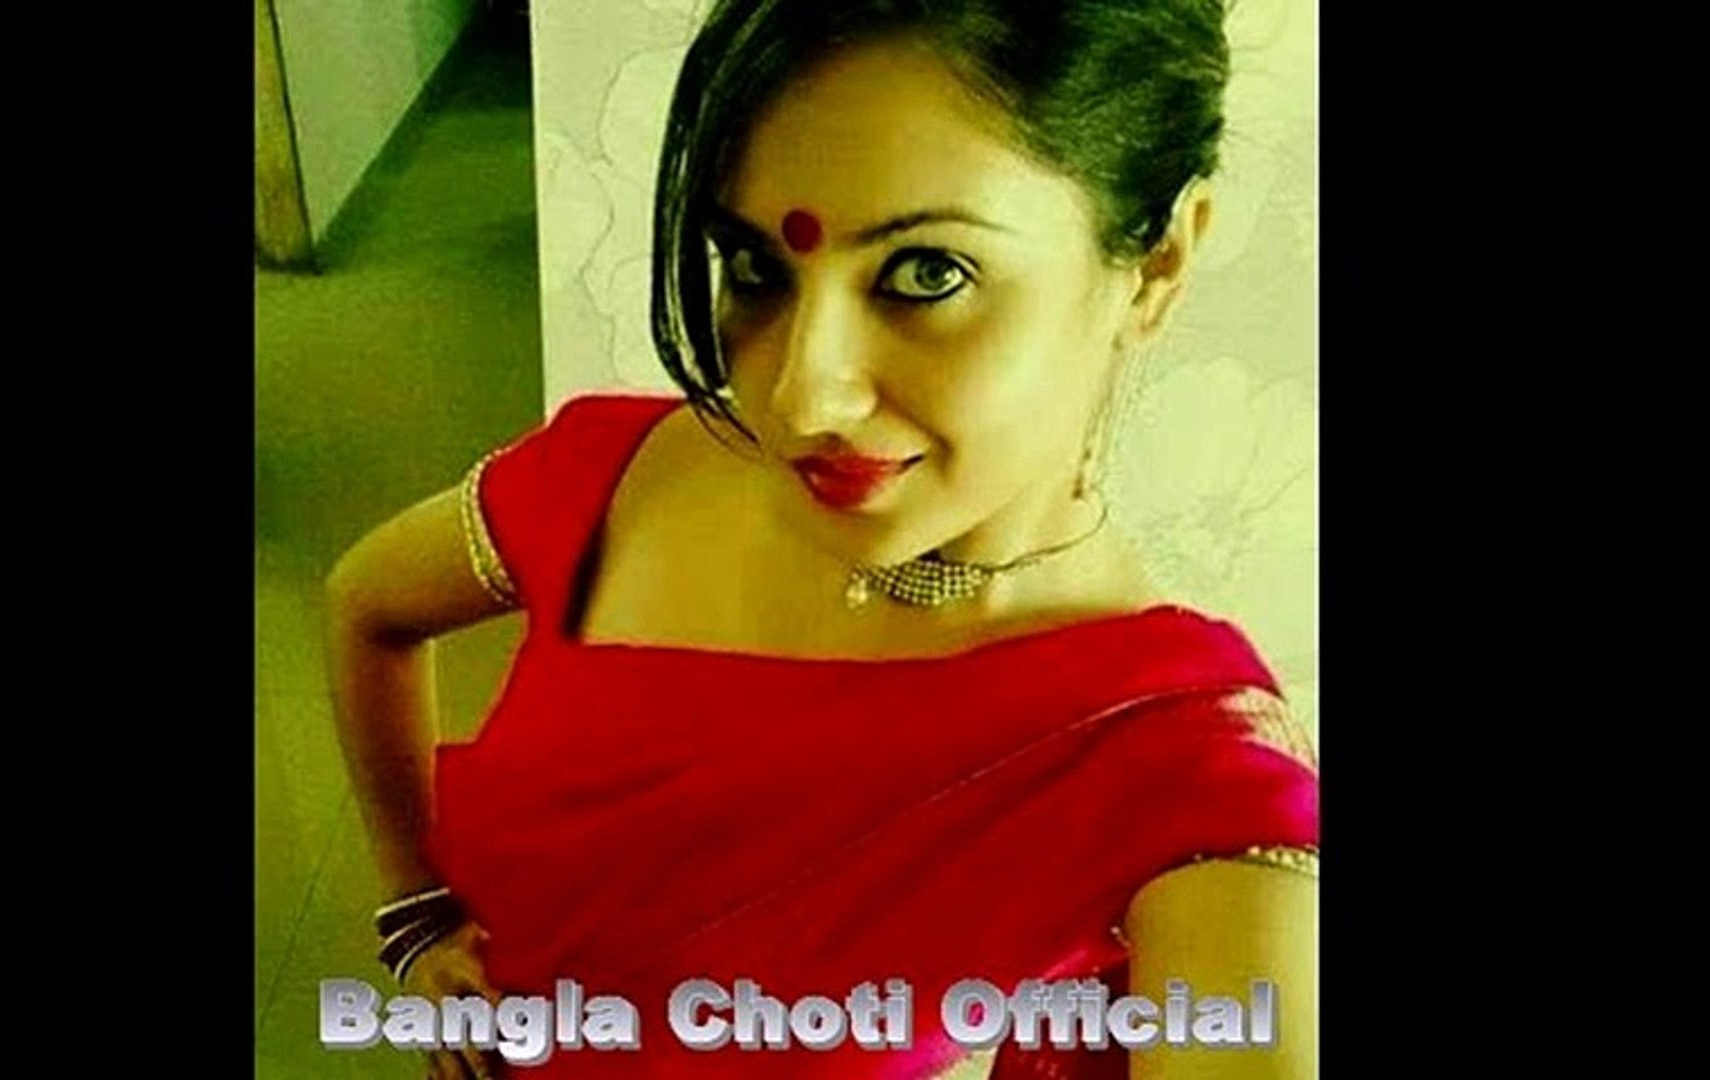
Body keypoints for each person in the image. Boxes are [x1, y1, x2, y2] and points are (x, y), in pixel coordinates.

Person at [324, 2, 1318, 1077]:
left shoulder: (1174, 771)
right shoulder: (627, 471)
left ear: (1158, 263)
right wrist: (417, 914)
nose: (801, 399)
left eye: (926, 273)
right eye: (758, 269)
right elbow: (365, 605)